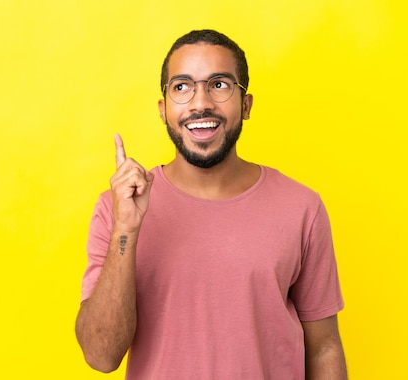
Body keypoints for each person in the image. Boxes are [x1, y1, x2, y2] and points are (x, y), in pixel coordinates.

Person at [75, 29, 347, 379]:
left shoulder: (302, 207)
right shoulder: (117, 208)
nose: (200, 102)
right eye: (182, 86)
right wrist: (125, 231)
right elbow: (101, 356)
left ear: (245, 105)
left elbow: (324, 346)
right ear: (163, 110)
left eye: (219, 85)